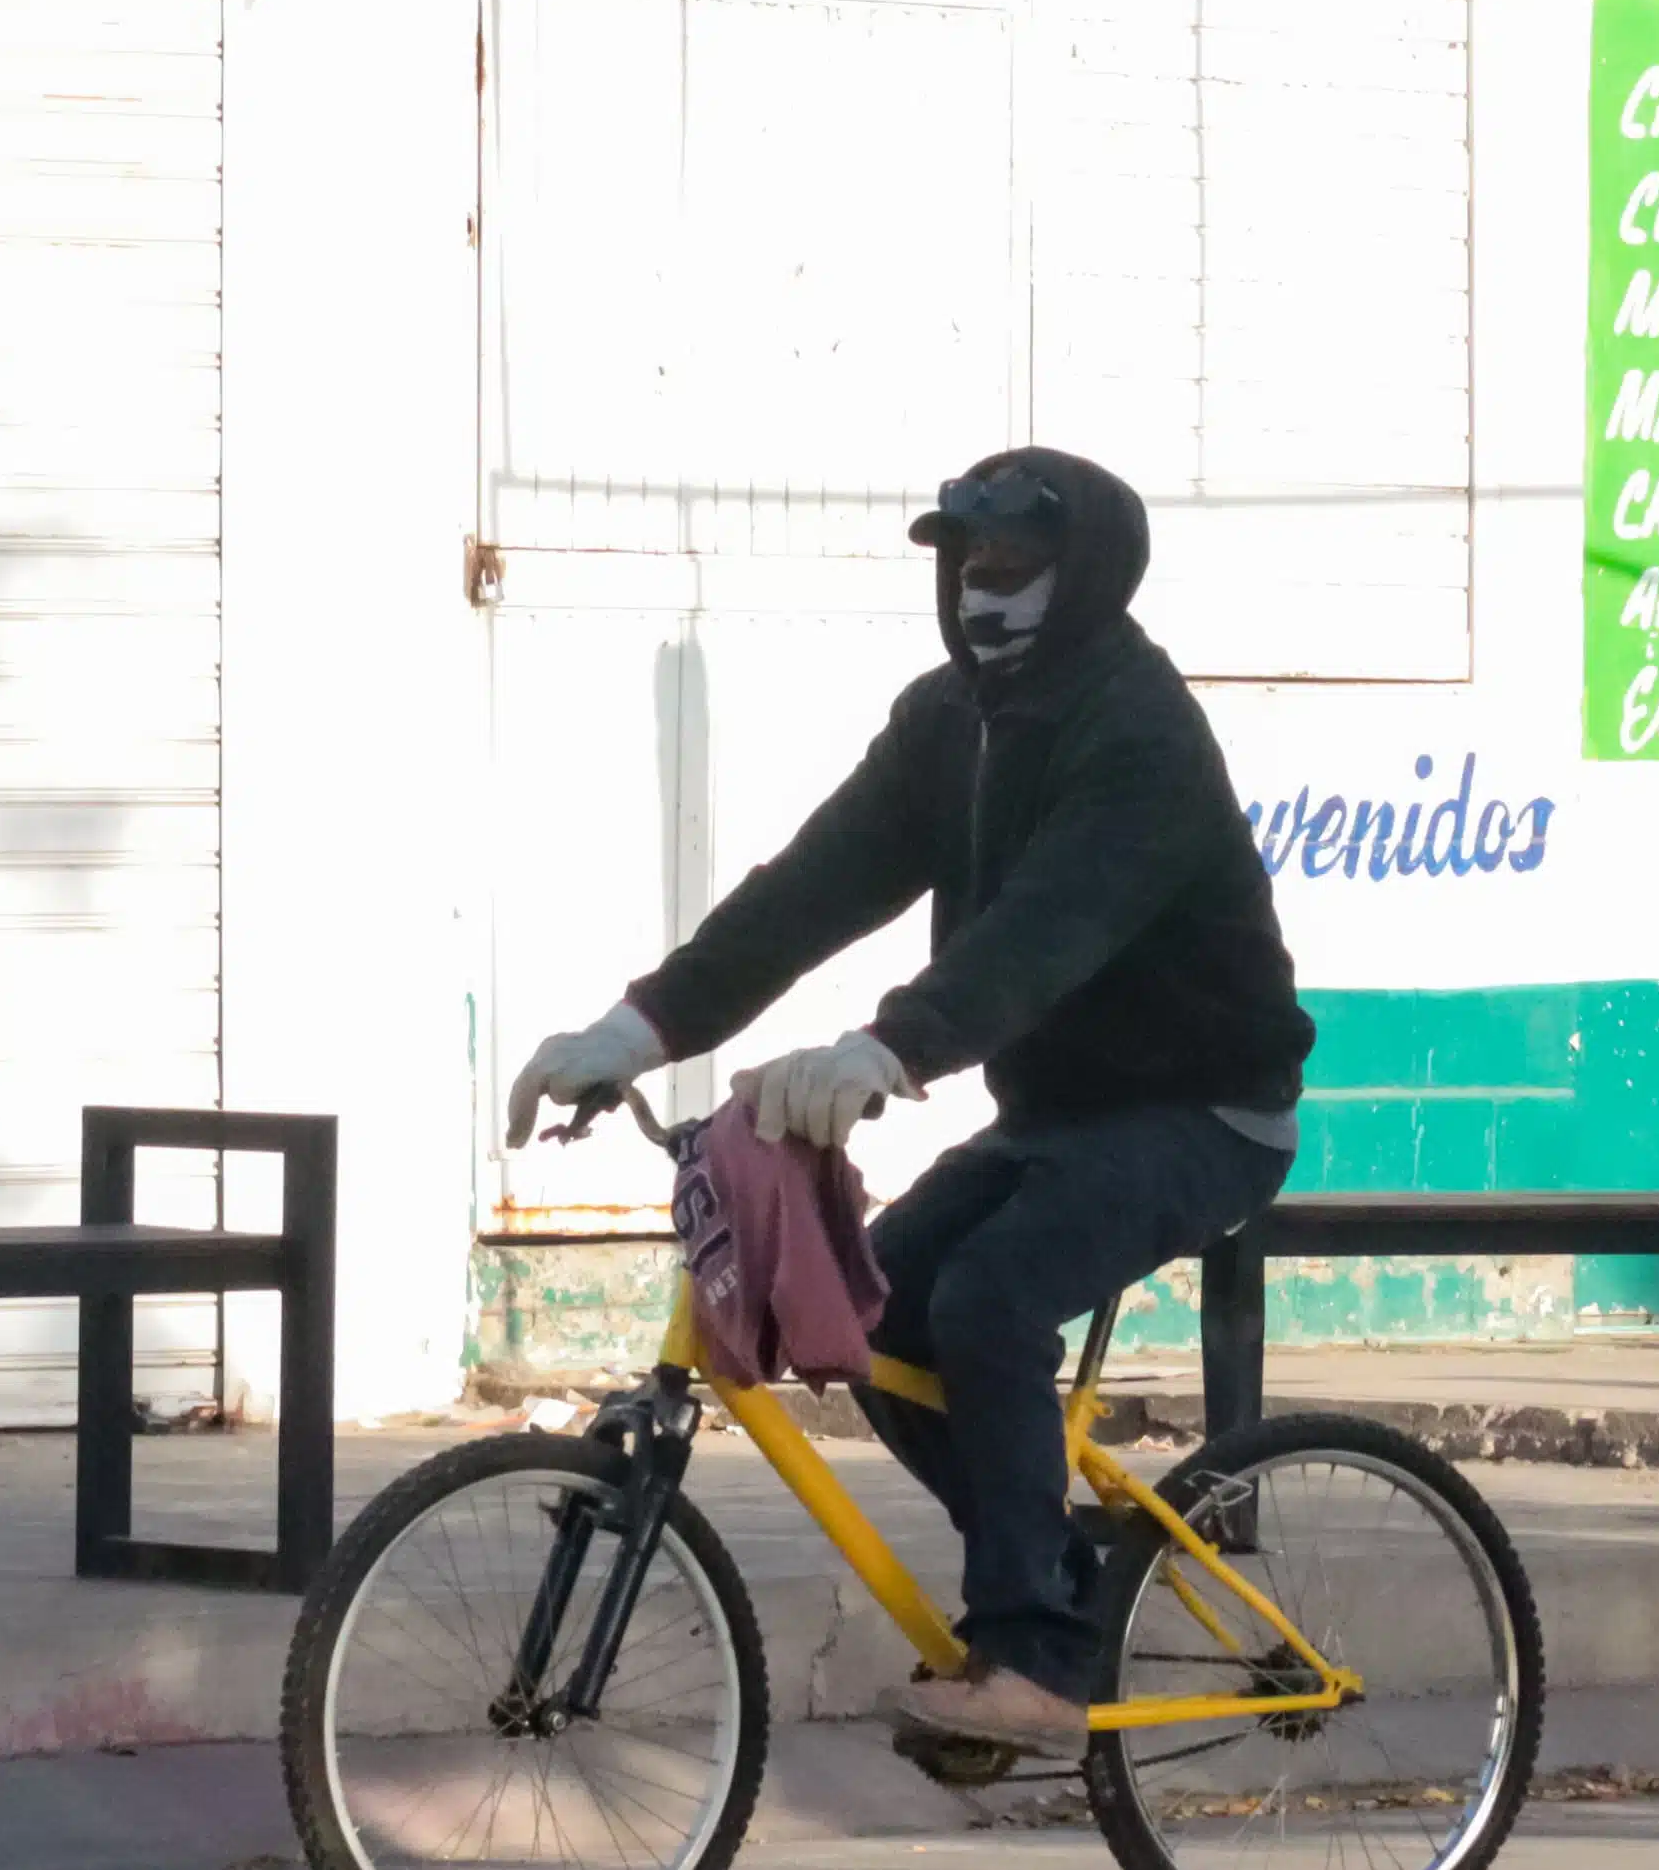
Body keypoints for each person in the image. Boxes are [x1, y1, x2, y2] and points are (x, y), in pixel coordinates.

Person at [502, 449, 1314, 1762]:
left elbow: (1046, 936)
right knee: (878, 1309)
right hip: (1057, 1117)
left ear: (1084, 576)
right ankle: (1058, 1576)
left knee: (989, 1301)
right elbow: (806, 891)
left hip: (1203, 1113)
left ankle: (1033, 1659)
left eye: (1012, 571)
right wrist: (633, 1031)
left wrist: (885, 1053)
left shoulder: (1138, 730)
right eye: (965, 570)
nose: (983, 600)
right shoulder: (953, 721)